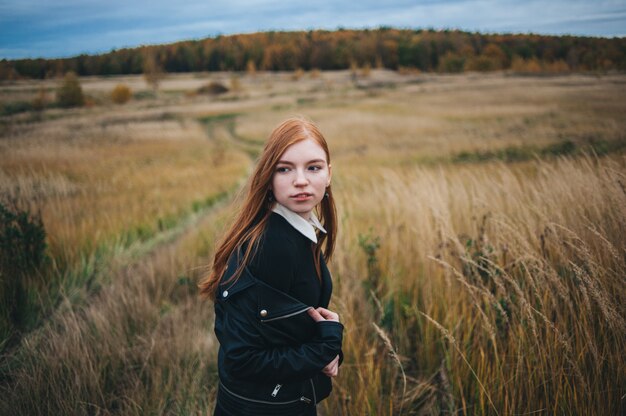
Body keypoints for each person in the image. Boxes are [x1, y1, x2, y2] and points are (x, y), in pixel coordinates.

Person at [199, 117, 344, 415]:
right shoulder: (271, 245)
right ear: (268, 177)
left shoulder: (298, 230)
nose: (301, 180)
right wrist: (325, 347)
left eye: (313, 167)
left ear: (329, 174)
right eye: (284, 169)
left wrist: (327, 347)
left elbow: (284, 331)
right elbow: (242, 358)